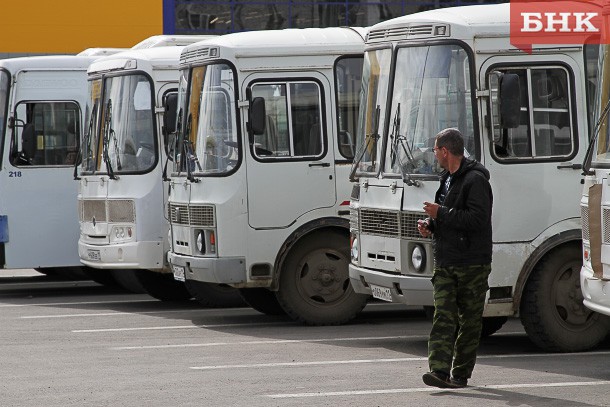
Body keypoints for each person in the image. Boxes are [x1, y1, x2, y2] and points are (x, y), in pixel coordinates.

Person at [417, 128, 493, 388]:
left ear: (445, 151)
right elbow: (448, 216)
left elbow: (477, 219)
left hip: (472, 262)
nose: (435, 155)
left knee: (469, 322)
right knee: (443, 316)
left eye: (436, 150)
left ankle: (460, 374)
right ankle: (439, 372)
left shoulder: (476, 180)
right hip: (447, 260)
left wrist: (441, 214)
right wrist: (431, 224)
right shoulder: (446, 179)